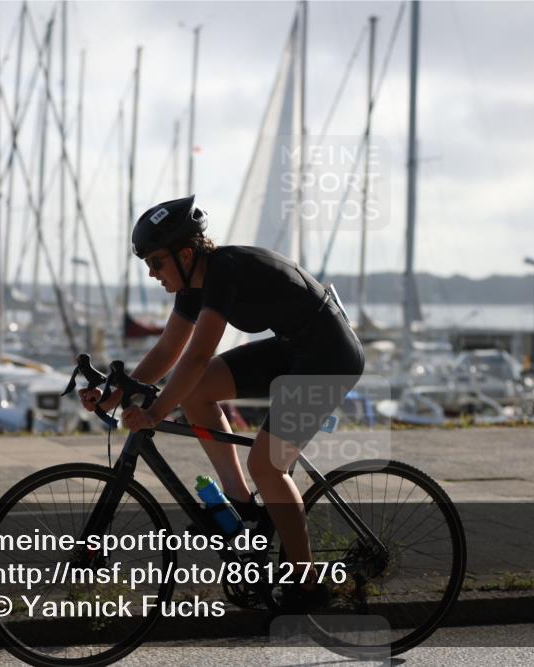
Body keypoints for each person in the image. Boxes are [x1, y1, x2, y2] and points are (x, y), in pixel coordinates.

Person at [79, 195, 365, 611]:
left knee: (266, 464)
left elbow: (195, 356)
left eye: (156, 262)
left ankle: (308, 586)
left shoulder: (224, 272)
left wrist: (155, 414)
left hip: (330, 357)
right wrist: (115, 392)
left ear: (186, 253)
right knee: (196, 392)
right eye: (147, 265)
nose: (152, 273)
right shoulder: (192, 286)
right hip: (294, 346)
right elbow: (165, 354)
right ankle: (243, 504)